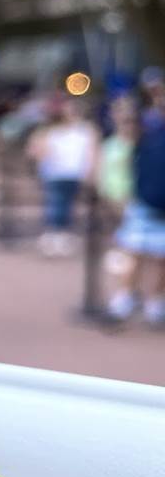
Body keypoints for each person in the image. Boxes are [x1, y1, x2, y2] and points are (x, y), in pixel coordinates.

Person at [106, 119, 165, 327]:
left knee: (154, 259)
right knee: (134, 255)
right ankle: (127, 299)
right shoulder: (151, 139)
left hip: (147, 206)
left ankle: (150, 303)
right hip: (145, 206)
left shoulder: (150, 138)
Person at [27, 97, 98, 257]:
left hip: (74, 173)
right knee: (56, 203)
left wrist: (91, 171)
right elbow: (34, 149)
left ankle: (60, 234)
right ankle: (54, 235)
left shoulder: (85, 129)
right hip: (54, 173)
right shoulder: (49, 129)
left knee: (66, 204)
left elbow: (92, 151)